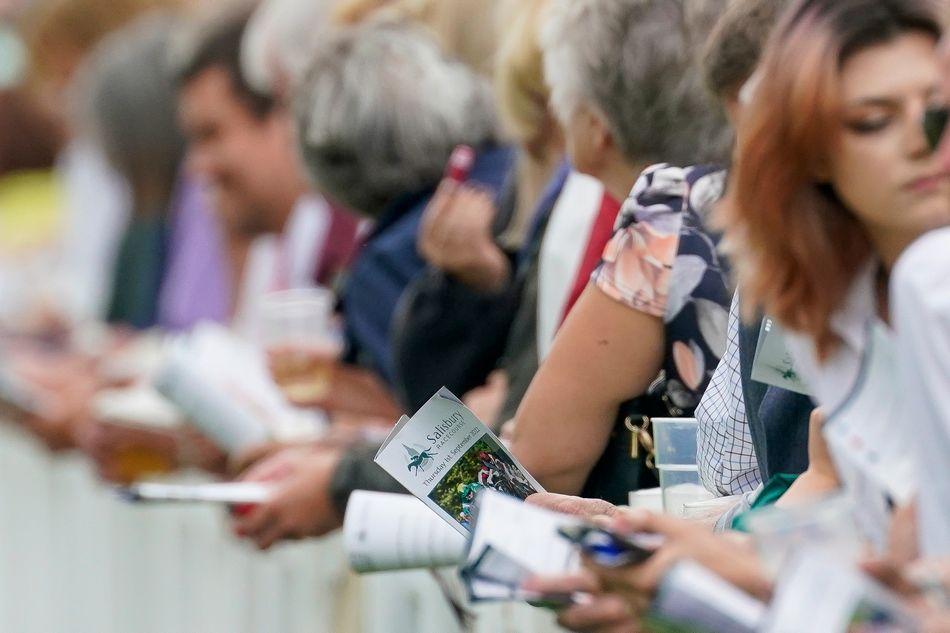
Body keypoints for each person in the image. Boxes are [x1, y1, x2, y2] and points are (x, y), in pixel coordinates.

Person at [507, 0, 732, 499]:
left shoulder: (668, 219)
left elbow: (539, 466)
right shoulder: (794, 192)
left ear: (594, 127)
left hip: (667, 559)